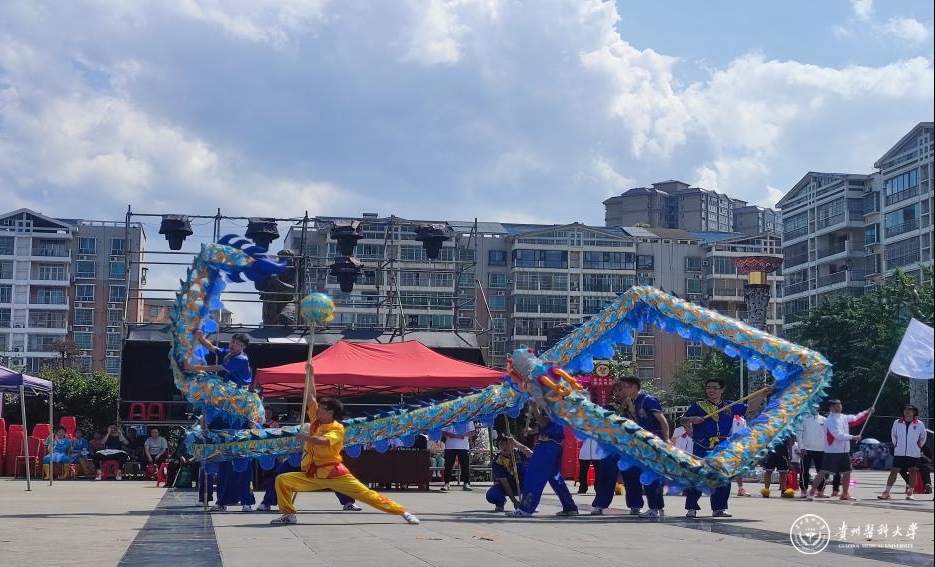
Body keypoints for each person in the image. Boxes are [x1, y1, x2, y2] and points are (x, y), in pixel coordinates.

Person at [269, 362, 420, 525]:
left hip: (334, 473)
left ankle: (402, 511)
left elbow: (323, 441)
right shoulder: (316, 421)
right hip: (313, 473)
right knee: (282, 480)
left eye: (321, 408)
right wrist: (310, 374)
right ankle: (288, 515)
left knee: (367, 495)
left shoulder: (337, 428)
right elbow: (311, 397)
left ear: (330, 412)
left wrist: (305, 438)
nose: (317, 409)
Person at [681, 377, 770, 518]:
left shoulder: (729, 405)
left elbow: (750, 408)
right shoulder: (698, 406)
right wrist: (691, 420)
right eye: (709, 387)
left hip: (722, 447)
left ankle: (719, 508)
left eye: (715, 388)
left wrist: (762, 394)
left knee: (723, 477)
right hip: (702, 446)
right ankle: (691, 508)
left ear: (722, 390)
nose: (711, 390)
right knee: (697, 476)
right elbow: (682, 419)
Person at [506, 403, 579, 517]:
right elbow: (546, 425)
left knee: (534, 476)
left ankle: (525, 509)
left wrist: (535, 408)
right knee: (555, 478)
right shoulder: (556, 403)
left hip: (547, 446)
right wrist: (531, 431)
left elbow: (544, 423)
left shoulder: (551, 403)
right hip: (554, 444)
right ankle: (570, 507)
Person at [616, 375, 669, 519]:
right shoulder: (628, 403)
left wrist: (666, 440)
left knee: (651, 476)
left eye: (626, 387)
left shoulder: (648, 400)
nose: (623, 390)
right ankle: (635, 505)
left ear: (634, 387)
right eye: (622, 387)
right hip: (635, 443)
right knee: (630, 473)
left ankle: (656, 508)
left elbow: (663, 421)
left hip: (652, 443)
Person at [806, 399, 872, 501]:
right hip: (832, 451)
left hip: (844, 451)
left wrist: (867, 412)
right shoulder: (830, 420)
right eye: (835, 406)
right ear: (830, 407)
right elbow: (837, 435)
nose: (838, 407)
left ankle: (845, 494)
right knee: (823, 472)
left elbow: (855, 419)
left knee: (847, 472)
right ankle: (811, 492)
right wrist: (853, 437)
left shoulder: (844, 417)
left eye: (839, 405)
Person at [879, 404, 927, 500]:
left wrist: (917, 446)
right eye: (905, 410)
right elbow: (893, 435)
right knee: (894, 471)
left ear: (914, 412)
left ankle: (910, 492)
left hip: (913, 452)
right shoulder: (897, 423)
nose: (907, 412)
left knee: (912, 471)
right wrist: (897, 444)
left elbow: (923, 438)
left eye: (910, 410)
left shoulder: (920, 424)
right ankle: (887, 492)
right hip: (900, 452)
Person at [186, 330, 254, 388]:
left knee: (206, 386)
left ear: (243, 347)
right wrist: (200, 338)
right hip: (230, 385)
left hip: (240, 391)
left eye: (238, 344)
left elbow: (216, 368)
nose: (234, 345)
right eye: (233, 341)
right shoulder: (229, 352)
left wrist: (192, 367)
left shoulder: (241, 359)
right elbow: (211, 347)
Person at [487, 435, 531, 512]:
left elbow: (532, 455)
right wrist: (514, 502)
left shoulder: (520, 453)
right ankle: (500, 503)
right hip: (507, 486)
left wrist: (517, 444)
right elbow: (505, 483)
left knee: (533, 482)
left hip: (523, 484)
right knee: (492, 494)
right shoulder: (497, 461)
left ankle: (529, 503)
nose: (504, 447)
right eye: (501, 444)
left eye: (507, 444)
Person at [440, 422, 477, 491]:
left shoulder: (468, 419)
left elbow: (473, 432)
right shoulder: (448, 418)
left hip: (463, 447)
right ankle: (446, 483)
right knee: (448, 466)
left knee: (465, 466)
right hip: (450, 447)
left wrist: (463, 435)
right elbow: (442, 432)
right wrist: (451, 435)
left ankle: (466, 483)